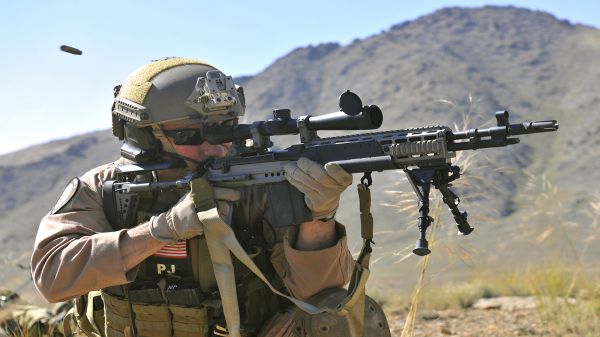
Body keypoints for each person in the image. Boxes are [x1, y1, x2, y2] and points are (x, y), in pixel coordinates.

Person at [30, 57, 365, 337]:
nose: (215, 146)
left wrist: (319, 219)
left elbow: (322, 297)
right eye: (193, 134)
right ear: (144, 136)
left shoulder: (259, 182)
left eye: (226, 126)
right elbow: (52, 278)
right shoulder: (103, 187)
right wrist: (162, 230)